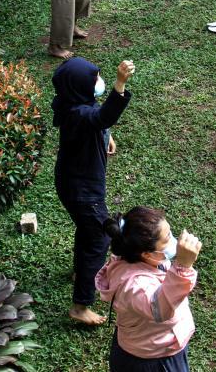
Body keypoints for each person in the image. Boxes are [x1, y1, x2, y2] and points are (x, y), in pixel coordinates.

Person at [52, 57, 134, 325]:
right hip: (84, 191)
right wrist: (119, 84)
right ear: (80, 86)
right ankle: (80, 305)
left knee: (88, 231)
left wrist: (105, 135)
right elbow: (101, 116)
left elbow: (97, 121)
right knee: (99, 238)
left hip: (71, 184)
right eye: (95, 78)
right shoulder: (80, 114)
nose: (99, 81)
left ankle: (81, 272)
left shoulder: (71, 104)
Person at [96, 207, 202, 372]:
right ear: (147, 253)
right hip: (152, 359)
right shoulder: (134, 286)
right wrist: (182, 267)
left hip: (155, 344)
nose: (174, 240)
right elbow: (159, 309)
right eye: (167, 238)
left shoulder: (141, 256)